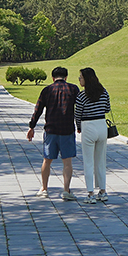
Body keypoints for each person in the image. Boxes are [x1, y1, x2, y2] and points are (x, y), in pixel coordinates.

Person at [26, 66, 78, 200]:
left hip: (51, 130)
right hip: (67, 130)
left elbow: (38, 110)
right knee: (67, 162)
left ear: (53, 77)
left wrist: (32, 127)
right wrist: (79, 125)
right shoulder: (73, 89)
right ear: (66, 77)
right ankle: (66, 190)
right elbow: (79, 109)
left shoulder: (47, 90)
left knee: (47, 160)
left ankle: (44, 188)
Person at [76, 67, 111, 204]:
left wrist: (78, 127)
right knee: (101, 161)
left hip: (88, 126)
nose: (79, 79)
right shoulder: (104, 92)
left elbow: (78, 113)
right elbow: (107, 108)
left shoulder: (82, 96)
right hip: (102, 125)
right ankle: (102, 191)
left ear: (86, 79)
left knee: (88, 162)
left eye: (81, 77)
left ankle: (90, 193)